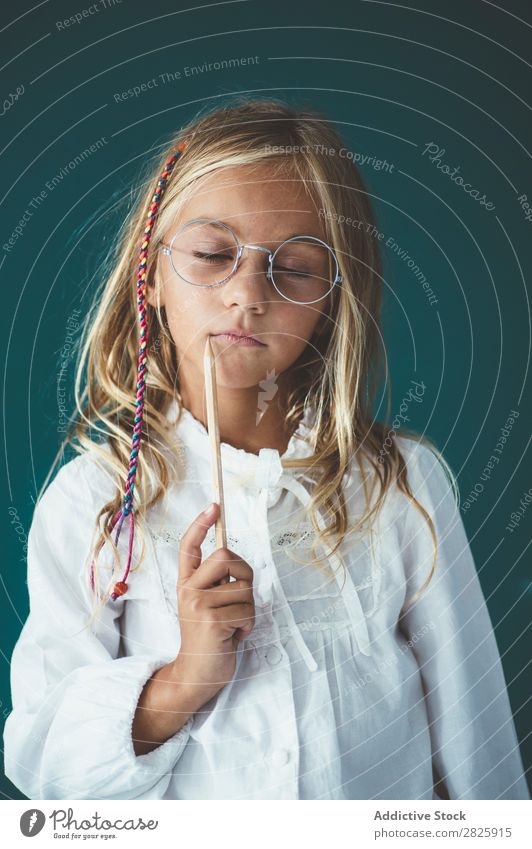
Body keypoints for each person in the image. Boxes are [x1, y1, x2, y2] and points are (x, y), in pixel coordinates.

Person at [4, 98, 529, 801]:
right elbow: (48, 769)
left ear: (333, 302)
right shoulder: (93, 502)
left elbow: (476, 733)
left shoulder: (402, 483)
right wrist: (186, 676)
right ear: (151, 275)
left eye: (297, 266)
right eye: (213, 254)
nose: (248, 294)